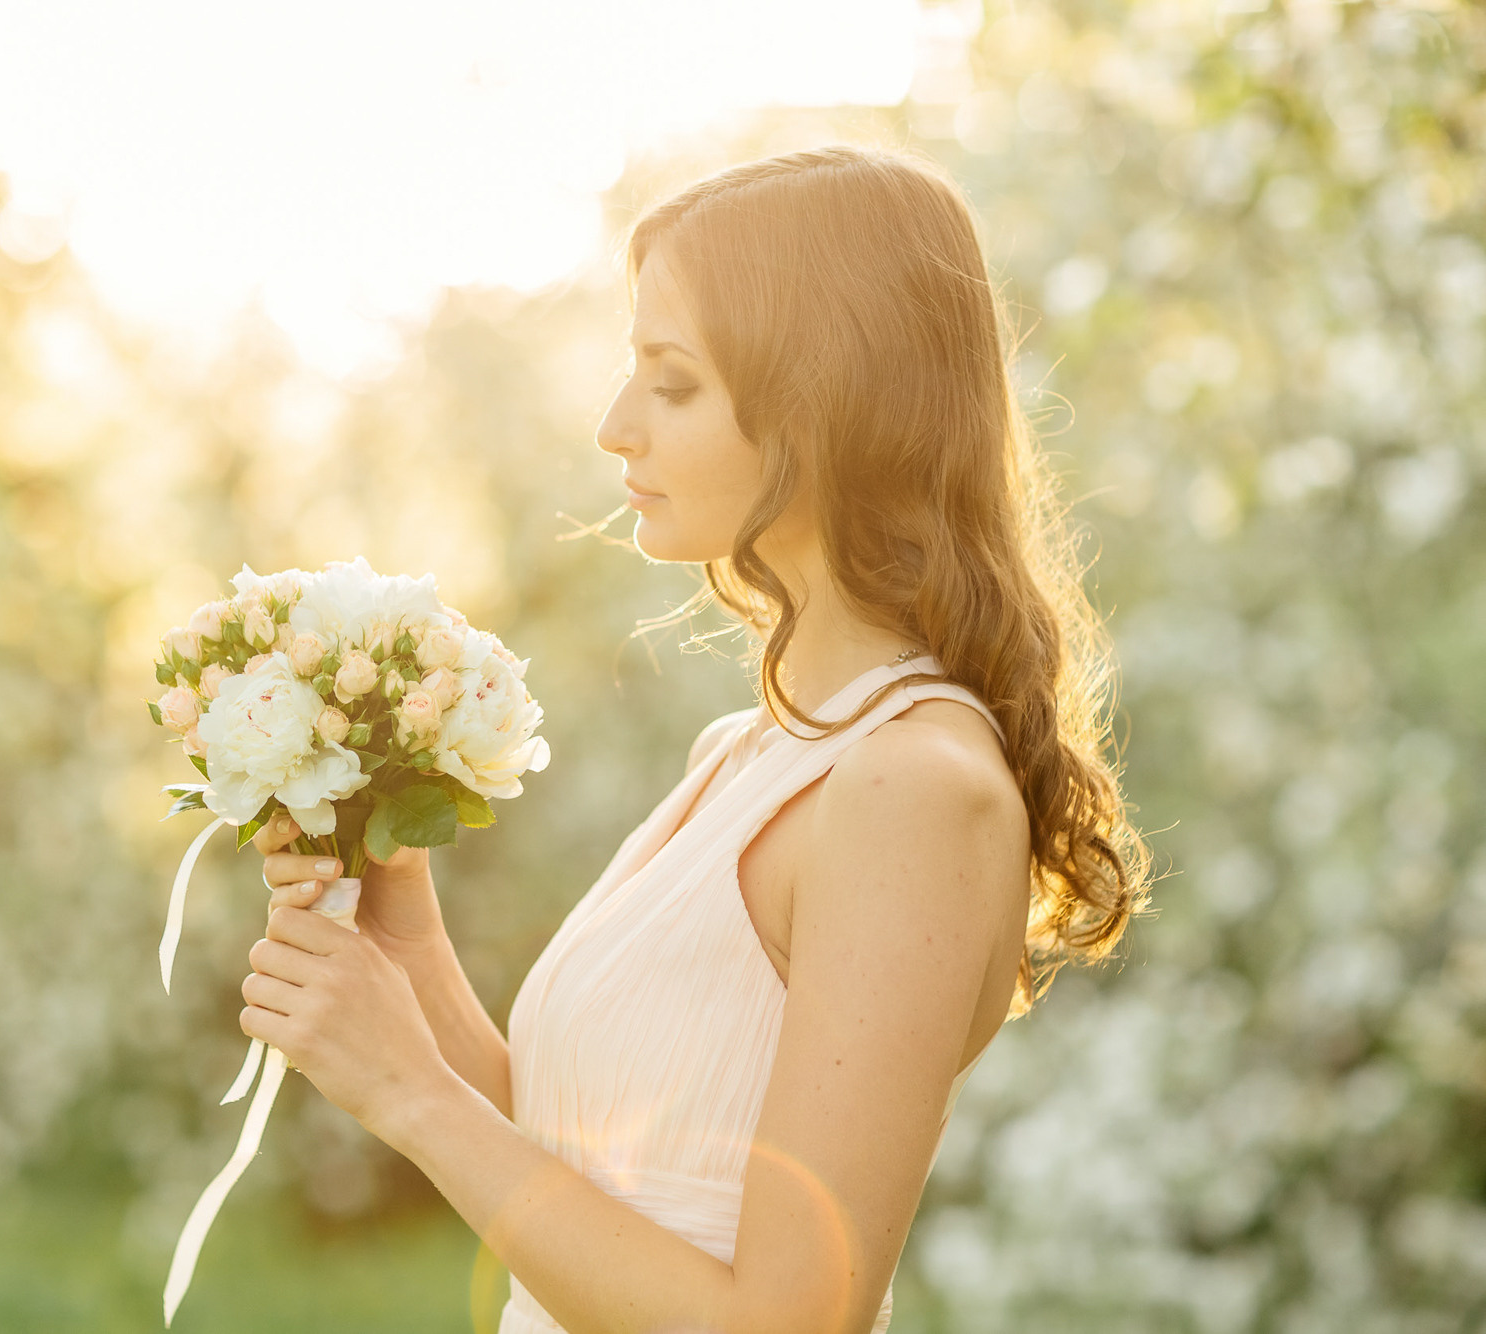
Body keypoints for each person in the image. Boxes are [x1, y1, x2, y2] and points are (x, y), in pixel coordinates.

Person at [236, 146, 1151, 1334]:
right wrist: (405, 937)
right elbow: (587, 1164)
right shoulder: (742, 752)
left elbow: (783, 1319)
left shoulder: (912, 785)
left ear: (827, 405)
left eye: (670, 384)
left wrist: (406, 1092)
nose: (615, 427)